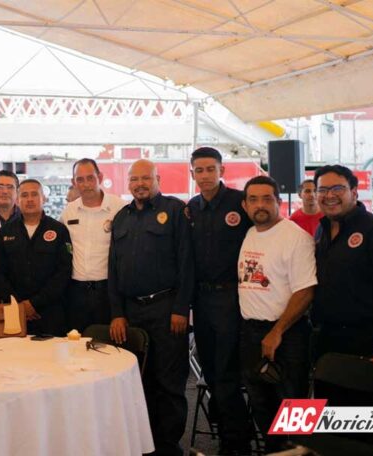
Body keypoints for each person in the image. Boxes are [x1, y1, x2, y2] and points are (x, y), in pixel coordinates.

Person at [311, 165, 373, 443]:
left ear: (354, 192)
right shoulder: (322, 233)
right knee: (333, 431)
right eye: (323, 190)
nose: (329, 195)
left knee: (367, 435)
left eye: (338, 189)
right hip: (330, 346)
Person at [108, 159, 193, 456]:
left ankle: (168, 448)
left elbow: (187, 263)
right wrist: (117, 313)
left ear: (158, 179)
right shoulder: (121, 217)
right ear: (128, 183)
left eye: (146, 178)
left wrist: (182, 308)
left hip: (167, 308)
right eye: (135, 179)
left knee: (169, 383)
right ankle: (143, 444)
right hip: (131, 313)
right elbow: (113, 271)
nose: (140, 184)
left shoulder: (174, 211)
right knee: (138, 383)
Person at [237, 175, 316, 453]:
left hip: (287, 334)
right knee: (262, 405)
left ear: (279, 202)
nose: (261, 205)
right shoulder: (250, 233)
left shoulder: (296, 237)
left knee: (293, 411)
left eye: (267, 198)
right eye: (254, 199)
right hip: (252, 333)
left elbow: (305, 291)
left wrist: (277, 332)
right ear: (245, 205)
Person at [186, 147, 253, 454]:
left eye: (210, 169)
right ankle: (231, 431)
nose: (205, 175)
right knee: (210, 372)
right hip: (201, 299)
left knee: (227, 373)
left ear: (221, 171)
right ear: (192, 174)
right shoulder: (192, 208)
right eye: (199, 170)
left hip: (231, 298)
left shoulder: (241, 203)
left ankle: (235, 443)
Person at [0, 179, 72, 336]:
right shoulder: (6, 231)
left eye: (34, 194)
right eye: (24, 195)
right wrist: (20, 305)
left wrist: (34, 304)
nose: (29, 199)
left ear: (44, 198)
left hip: (51, 312)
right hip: (14, 311)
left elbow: (63, 272)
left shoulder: (59, 230)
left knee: (51, 358)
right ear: (17, 200)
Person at [60, 158, 125, 332]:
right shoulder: (68, 212)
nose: (86, 184)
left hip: (108, 291)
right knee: (78, 345)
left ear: (100, 177)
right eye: (80, 180)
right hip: (76, 291)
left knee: (108, 348)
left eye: (90, 178)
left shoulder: (119, 207)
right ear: (73, 182)